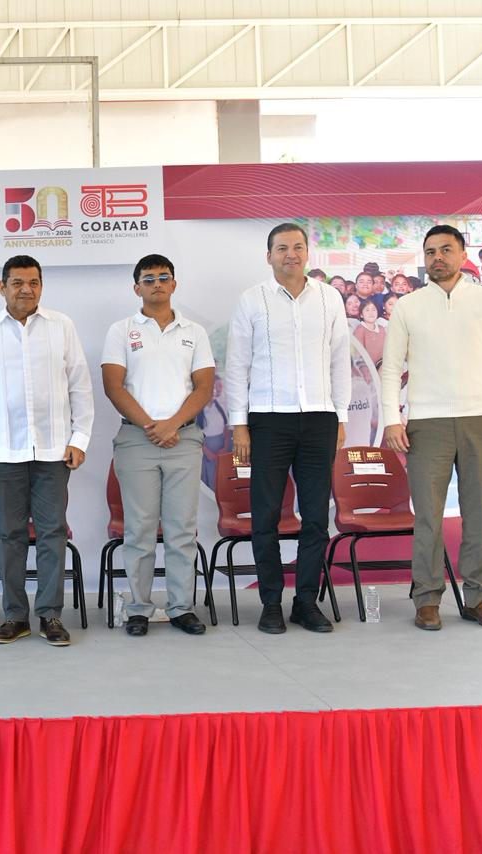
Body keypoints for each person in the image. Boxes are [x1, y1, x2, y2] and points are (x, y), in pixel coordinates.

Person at [380, 225, 482, 632]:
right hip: (426, 423)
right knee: (427, 515)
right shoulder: (408, 306)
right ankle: (426, 600)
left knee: (479, 513)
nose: (437, 258)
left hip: (480, 419)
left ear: (463, 255)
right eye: (429, 252)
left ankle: (477, 599)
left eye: (445, 250)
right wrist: (393, 417)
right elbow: (391, 368)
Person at [225, 223, 351, 635]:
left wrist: (341, 417)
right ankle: (271, 603)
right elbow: (237, 365)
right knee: (265, 516)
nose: (290, 255)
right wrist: (239, 425)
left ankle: (306, 602)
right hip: (267, 420)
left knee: (315, 516)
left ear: (307, 253)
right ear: (269, 256)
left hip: (319, 418)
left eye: (298, 247)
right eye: (282, 248)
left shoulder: (329, 298)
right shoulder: (252, 300)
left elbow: (338, 361)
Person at [0, 254, 93, 646]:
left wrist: (79, 438)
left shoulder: (61, 326)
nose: (26, 289)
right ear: (2, 287)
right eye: (17, 282)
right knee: (11, 535)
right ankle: (15, 616)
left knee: (52, 533)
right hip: (4, 452)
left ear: (41, 286)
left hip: (54, 451)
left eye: (33, 282)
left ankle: (51, 615)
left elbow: (80, 386)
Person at [101, 253, 214, 638]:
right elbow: (114, 386)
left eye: (164, 277)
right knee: (140, 529)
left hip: (183, 438)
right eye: (148, 279)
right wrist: (152, 425)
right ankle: (138, 608)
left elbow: (204, 387)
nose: (157, 284)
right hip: (137, 439)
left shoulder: (194, 332)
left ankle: (182, 608)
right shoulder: (121, 331)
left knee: (183, 530)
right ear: (137, 288)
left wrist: (173, 423)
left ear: (174, 284)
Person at [352, 298, 386, 366]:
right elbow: (357, 355)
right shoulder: (360, 330)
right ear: (361, 315)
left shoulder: (382, 329)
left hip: (383, 365)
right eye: (367, 310)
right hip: (368, 369)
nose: (371, 313)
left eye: (374, 310)